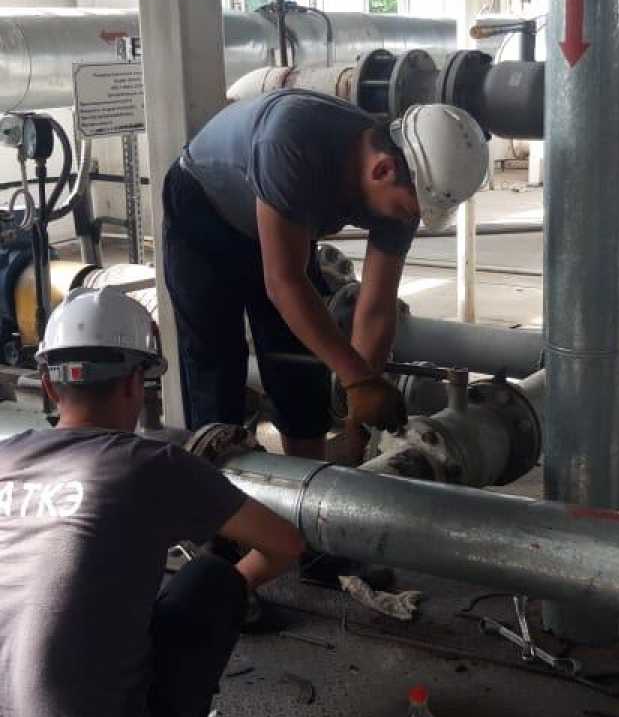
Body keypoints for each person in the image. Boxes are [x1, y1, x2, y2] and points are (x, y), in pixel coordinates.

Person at [0, 287, 305, 717]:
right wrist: (238, 584)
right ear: (135, 384)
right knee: (210, 581)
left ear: (50, 387)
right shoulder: (151, 465)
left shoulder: (6, 458)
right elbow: (285, 544)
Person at [162, 91, 489, 461]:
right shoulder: (291, 140)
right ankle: (213, 483)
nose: (408, 219)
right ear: (382, 170)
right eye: (407, 210)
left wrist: (358, 420)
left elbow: (376, 307)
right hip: (204, 212)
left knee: (300, 362)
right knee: (216, 366)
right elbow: (284, 282)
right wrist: (357, 378)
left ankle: (309, 479)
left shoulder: (404, 188)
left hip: (281, 215)